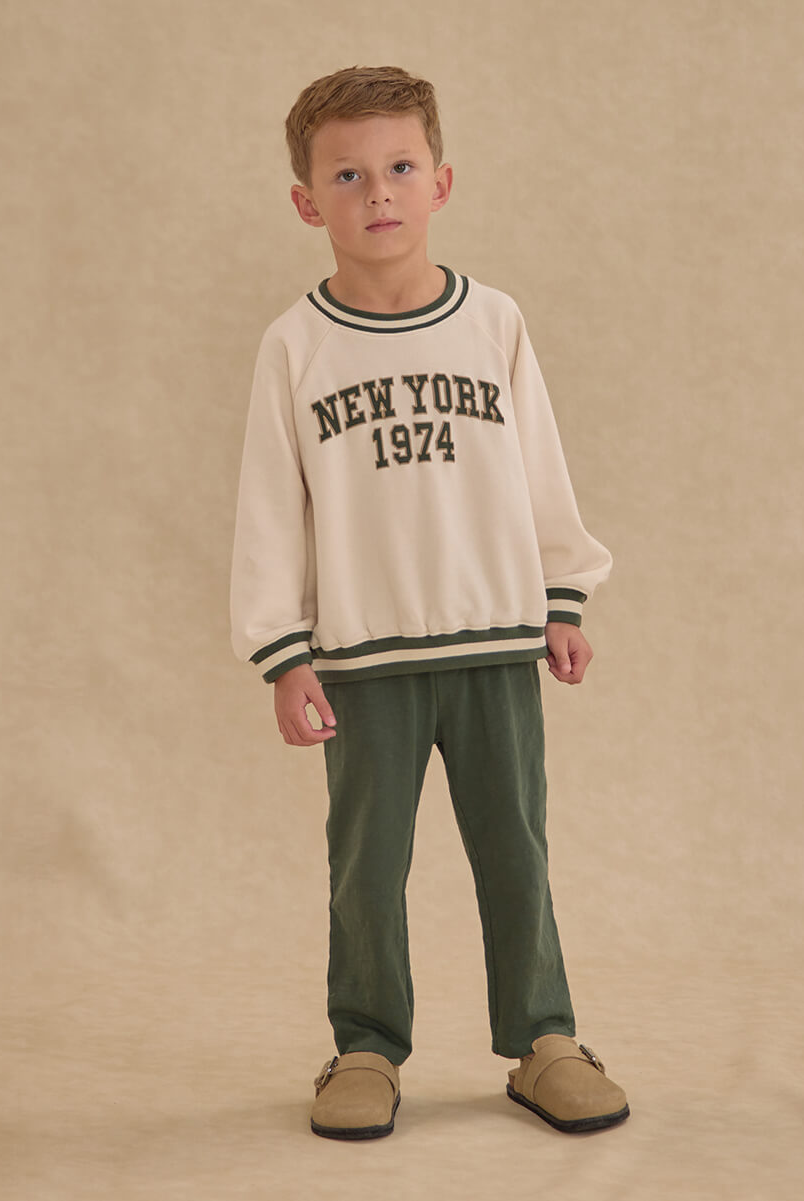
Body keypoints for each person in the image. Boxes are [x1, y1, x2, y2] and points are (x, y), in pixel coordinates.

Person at [230, 65, 629, 1140]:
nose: (378, 193)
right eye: (347, 175)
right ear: (307, 202)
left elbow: (539, 465)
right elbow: (270, 507)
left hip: (496, 641)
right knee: (366, 868)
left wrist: (563, 596)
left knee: (516, 852)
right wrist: (283, 652)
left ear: (440, 182)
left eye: (400, 167)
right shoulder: (295, 346)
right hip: (363, 660)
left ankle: (545, 1038)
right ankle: (366, 1046)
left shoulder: (493, 322)